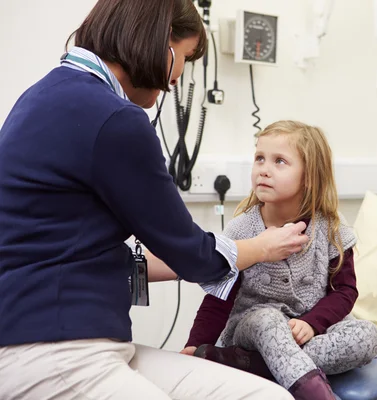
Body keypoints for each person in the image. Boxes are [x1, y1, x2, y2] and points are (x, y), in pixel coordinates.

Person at [0, 1, 307, 399]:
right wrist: (260, 248)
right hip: (54, 351)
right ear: (158, 44)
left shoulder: (45, 95)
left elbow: (79, 248)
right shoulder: (114, 119)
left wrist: (206, 257)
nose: (178, 76)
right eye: (183, 57)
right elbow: (192, 254)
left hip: (61, 340)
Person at [180, 121, 377, 400]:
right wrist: (195, 346)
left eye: (279, 161)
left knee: (367, 336)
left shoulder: (332, 227)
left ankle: (252, 365)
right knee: (268, 320)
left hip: (308, 331)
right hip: (253, 329)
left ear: (309, 176)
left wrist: (312, 323)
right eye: (259, 158)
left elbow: (345, 291)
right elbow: (218, 300)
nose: (264, 169)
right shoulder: (241, 231)